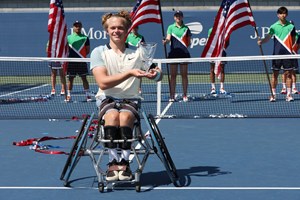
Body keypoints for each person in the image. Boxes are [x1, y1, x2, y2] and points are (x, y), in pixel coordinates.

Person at [90, 11, 162, 181]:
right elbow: (103, 83)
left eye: (120, 28)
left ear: (127, 30)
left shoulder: (139, 53)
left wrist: (155, 74)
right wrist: (130, 73)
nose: (116, 31)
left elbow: (158, 74)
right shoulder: (98, 52)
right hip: (107, 98)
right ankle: (113, 162)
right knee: (113, 115)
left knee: (125, 116)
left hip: (131, 99)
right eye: (113, 27)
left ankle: (124, 163)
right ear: (107, 30)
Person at [257, 6, 296, 102]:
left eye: (285, 13)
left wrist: (290, 48)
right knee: (275, 75)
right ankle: (273, 95)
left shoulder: (291, 27)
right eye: (281, 13)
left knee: (289, 75)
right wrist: (261, 41)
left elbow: (294, 39)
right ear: (278, 15)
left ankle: (289, 94)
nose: (283, 15)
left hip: (288, 54)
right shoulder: (273, 26)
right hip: (277, 55)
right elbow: (268, 37)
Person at [163, 10, 192, 102]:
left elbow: (189, 42)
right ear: (174, 17)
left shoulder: (186, 28)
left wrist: (186, 43)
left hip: (184, 54)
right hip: (173, 54)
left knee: (184, 75)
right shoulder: (171, 27)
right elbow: (168, 38)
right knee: (173, 75)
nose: (178, 17)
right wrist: (166, 41)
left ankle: (185, 95)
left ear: (182, 17)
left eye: (179, 16)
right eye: (176, 16)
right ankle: (172, 95)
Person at [66, 20, 91, 102]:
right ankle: (69, 95)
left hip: (81, 61)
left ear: (81, 27)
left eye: (79, 26)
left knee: (84, 78)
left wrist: (80, 56)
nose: (77, 27)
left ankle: (87, 95)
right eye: (76, 26)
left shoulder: (85, 38)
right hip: (71, 62)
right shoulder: (68, 38)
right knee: (70, 79)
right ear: (73, 27)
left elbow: (87, 50)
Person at [208, 27, 228, 94]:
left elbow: (227, 42)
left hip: (222, 52)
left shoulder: (225, 30)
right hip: (213, 52)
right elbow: (209, 41)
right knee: (212, 69)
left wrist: (221, 49)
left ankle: (222, 88)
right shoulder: (211, 30)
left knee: (222, 69)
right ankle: (213, 88)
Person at [280, 20, 299, 95]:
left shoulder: (297, 35)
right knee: (285, 72)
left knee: (293, 72)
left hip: (293, 55)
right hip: (285, 55)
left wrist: (294, 51)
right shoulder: (283, 35)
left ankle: (294, 88)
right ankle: (284, 87)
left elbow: (297, 44)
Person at [125, 26, 145, 94]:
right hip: (129, 57)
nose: (135, 29)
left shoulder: (141, 37)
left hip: (138, 58)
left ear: (138, 29)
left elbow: (143, 47)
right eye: (133, 28)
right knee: (129, 73)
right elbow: (125, 46)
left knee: (139, 73)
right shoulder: (128, 36)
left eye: (136, 28)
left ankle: (139, 88)